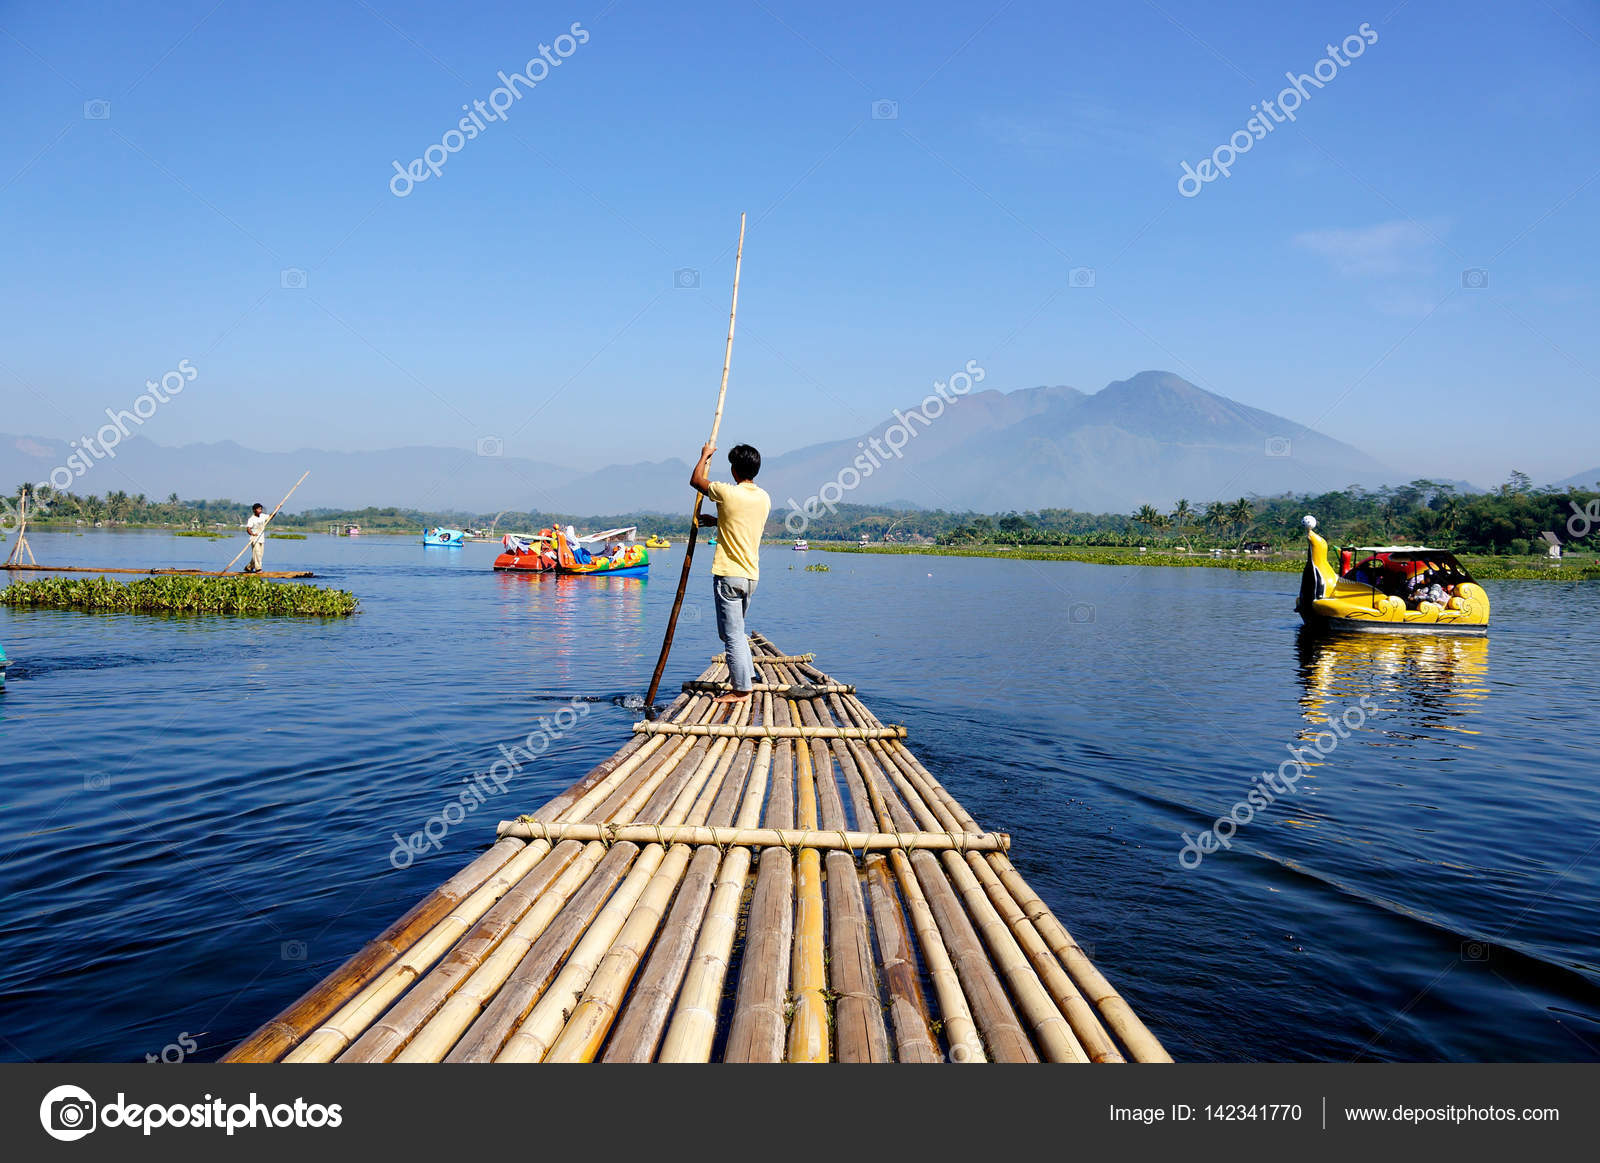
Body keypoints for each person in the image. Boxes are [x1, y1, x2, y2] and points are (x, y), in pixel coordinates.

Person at [691, 440, 770, 705]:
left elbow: (696, 480)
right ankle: (746, 679)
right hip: (750, 576)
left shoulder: (727, 492)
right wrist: (718, 521)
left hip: (729, 575)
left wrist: (704, 455)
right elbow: (741, 523)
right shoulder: (763, 497)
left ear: (735, 470)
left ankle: (741, 690)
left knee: (732, 635)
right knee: (736, 631)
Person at [244, 503, 268, 572]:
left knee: (259, 555)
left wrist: (276, 509)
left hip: (261, 539)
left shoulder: (263, 516)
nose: (260, 510)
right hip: (254, 539)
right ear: (254, 510)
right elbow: (248, 529)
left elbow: (271, 517)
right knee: (257, 554)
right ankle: (258, 569)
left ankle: (249, 567)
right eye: (258, 509)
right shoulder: (251, 519)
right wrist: (252, 534)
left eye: (261, 509)